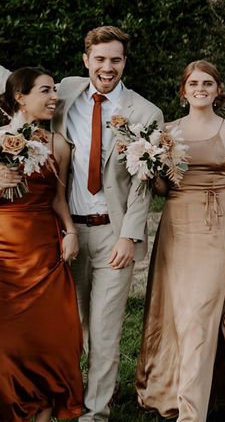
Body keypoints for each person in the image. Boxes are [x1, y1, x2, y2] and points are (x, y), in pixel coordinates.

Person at [1, 26, 163, 422]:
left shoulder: (145, 113)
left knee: (106, 330)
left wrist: (129, 236)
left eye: (116, 60)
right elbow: (19, 96)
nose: (108, 68)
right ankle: (61, 395)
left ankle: (95, 412)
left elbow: (143, 186)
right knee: (70, 327)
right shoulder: (67, 91)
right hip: (60, 232)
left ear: (125, 62)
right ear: (86, 60)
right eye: (101, 59)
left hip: (113, 232)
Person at [135, 60, 225, 421]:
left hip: (218, 226)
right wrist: (150, 167)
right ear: (183, 90)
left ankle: (191, 411)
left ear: (218, 89)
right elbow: (163, 188)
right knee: (178, 311)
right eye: (193, 82)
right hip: (177, 227)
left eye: (208, 82)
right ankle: (186, 389)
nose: (200, 88)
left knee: (200, 313)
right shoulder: (166, 131)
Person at [0, 68, 84, 422]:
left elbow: (58, 199)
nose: (54, 98)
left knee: (54, 333)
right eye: (45, 91)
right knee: (9, 337)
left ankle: (46, 402)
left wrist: (70, 232)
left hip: (45, 249)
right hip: (4, 250)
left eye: (55, 91)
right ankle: (14, 401)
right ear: (20, 96)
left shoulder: (58, 144)